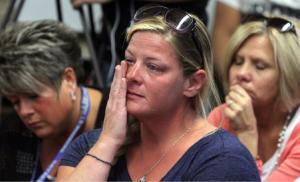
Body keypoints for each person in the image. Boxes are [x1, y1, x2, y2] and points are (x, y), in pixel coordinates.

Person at [56, 5, 260, 181]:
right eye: (129, 61)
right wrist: (108, 142)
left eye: (153, 67)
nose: (133, 75)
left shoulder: (223, 160)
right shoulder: (92, 145)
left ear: (193, 83)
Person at [0, 20, 106, 181]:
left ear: (69, 80)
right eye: (15, 102)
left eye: (33, 96)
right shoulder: (13, 132)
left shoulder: (123, 122)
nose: (24, 111)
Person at [209, 15, 300, 181]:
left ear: (289, 76)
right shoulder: (220, 117)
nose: (242, 73)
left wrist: (247, 133)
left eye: (259, 66)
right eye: (237, 62)